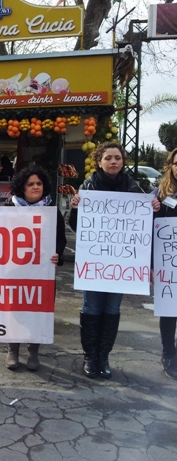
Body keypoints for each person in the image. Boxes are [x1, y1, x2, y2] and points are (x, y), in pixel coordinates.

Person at [69, 142, 160, 379]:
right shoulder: (88, 187)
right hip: (95, 263)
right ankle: (90, 357)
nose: (113, 162)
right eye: (108, 158)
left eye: (117, 158)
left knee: (112, 309)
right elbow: (77, 227)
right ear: (99, 162)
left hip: (121, 265)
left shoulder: (134, 189)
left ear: (123, 161)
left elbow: (144, 230)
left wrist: (153, 208)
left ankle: (103, 357)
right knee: (91, 308)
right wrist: (76, 209)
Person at [4, 165, 66, 371]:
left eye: (39, 183)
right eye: (30, 184)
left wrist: (58, 255)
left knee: (39, 311)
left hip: (42, 272)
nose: (35, 187)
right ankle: (13, 349)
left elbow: (60, 239)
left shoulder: (52, 211)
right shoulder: (9, 209)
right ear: (22, 187)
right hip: (15, 270)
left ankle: (33, 351)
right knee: (15, 310)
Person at [151, 148, 177, 380]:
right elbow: (149, 227)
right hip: (169, 263)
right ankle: (169, 353)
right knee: (170, 310)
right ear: (171, 167)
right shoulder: (161, 194)